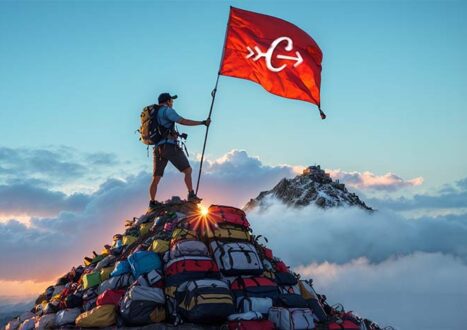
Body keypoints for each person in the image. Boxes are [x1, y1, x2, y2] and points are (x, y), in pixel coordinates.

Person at [149, 92, 210, 209]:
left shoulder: (154, 114)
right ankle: (191, 195)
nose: (172, 103)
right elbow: (182, 121)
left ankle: (152, 203)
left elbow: (163, 129)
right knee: (188, 170)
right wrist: (202, 123)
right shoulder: (167, 110)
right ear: (167, 101)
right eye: (171, 101)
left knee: (156, 177)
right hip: (169, 146)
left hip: (157, 148)